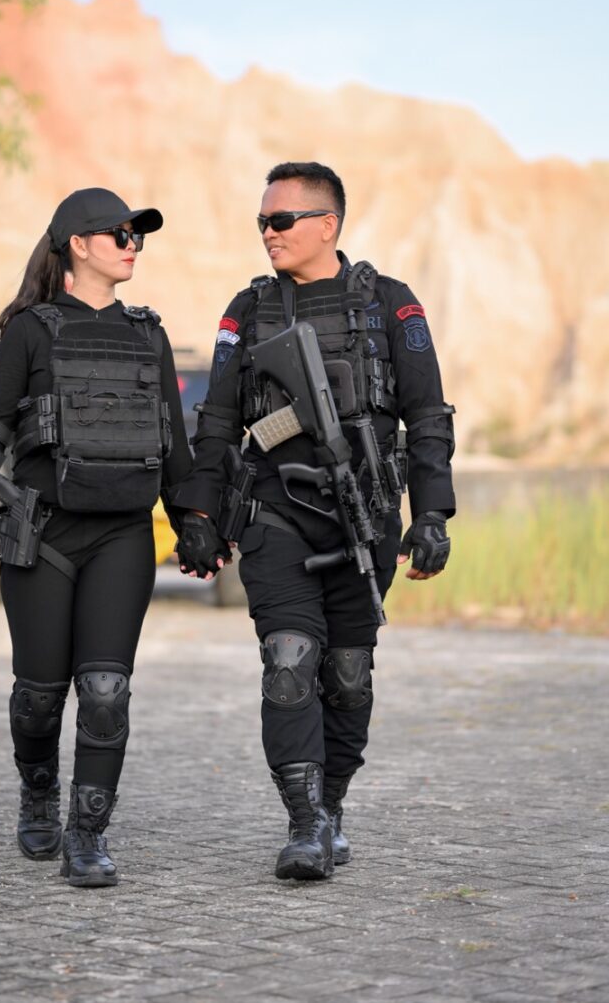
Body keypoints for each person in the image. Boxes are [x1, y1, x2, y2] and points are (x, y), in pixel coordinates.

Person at [174, 162, 455, 881]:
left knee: (349, 675)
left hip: (365, 516)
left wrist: (432, 514)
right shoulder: (248, 309)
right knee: (289, 662)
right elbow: (217, 421)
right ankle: (303, 824)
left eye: (280, 220)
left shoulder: (390, 304)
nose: (267, 233)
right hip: (276, 515)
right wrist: (200, 512)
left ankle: (331, 806)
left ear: (327, 225)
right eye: (261, 222)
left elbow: (427, 415)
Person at [0, 187, 190, 888]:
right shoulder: (30, 330)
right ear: (78, 245)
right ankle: (39, 790)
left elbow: (174, 443)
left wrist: (196, 524)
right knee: (39, 697)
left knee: (106, 691)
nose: (132, 245)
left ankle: (88, 835)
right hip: (43, 534)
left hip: (123, 536)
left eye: (137, 235)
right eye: (119, 234)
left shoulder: (149, 333)